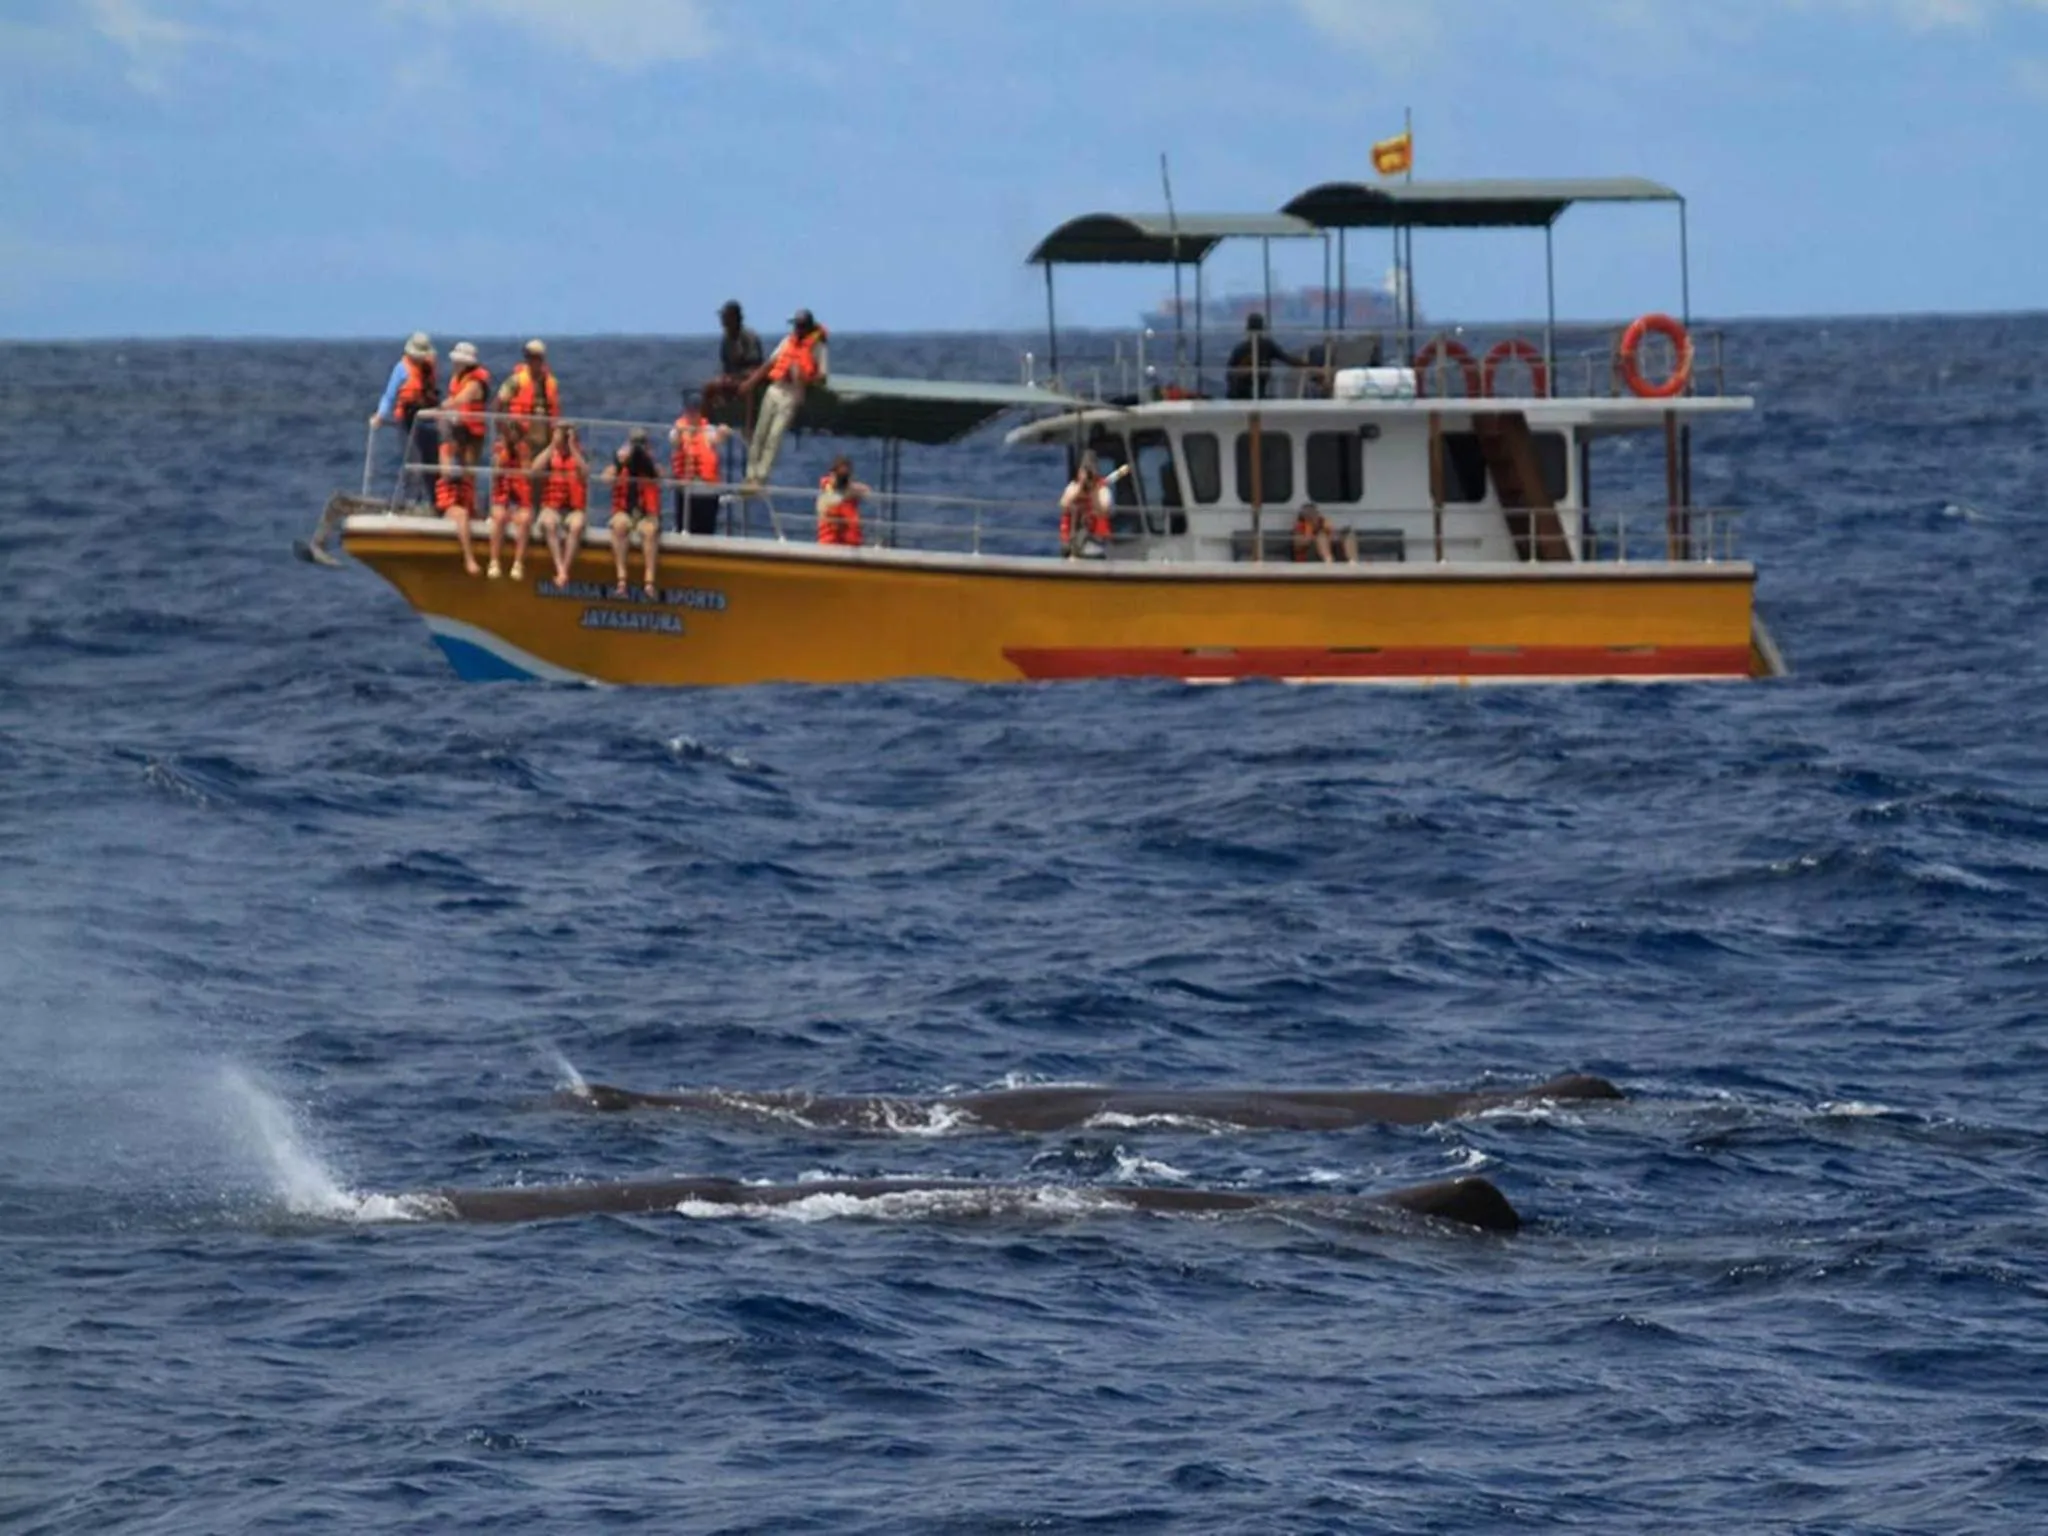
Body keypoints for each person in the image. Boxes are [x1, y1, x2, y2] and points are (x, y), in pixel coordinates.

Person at [741, 308, 829, 489]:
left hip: (792, 393)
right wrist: (751, 382)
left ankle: (761, 477)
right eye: (795, 325)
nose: (796, 329)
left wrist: (802, 377)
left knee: (774, 436)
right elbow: (770, 364)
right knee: (760, 433)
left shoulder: (818, 347)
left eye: (800, 326)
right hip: (774, 389)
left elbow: (822, 376)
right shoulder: (787, 341)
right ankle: (750, 476)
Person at [435, 341, 492, 574]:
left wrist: (444, 407)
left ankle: (474, 507)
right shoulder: (446, 448)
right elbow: (446, 470)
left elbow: (463, 399)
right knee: (459, 507)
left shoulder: (475, 382)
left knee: (469, 475)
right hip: (449, 500)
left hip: (473, 432)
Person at [370, 332, 439, 503]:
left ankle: (434, 501)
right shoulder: (401, 368)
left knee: (432, 461)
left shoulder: (428, 368)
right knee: (413, 461)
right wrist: (380, 415)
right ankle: (411, 500)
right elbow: (389, 395)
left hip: (428, 419)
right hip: (408, 421)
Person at [603, 427, 663, 598]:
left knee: (650, 531)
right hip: (624, 511)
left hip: (646, 514)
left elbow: (661, 477)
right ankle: (622, 580)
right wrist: (619, 463)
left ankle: (649, 582)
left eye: (641, 444)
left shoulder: (652, 466)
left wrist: (647, 461)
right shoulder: (621, 464)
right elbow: (606, 478)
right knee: (619, 526)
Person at [533, 423, 589, 586]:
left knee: (577, 526)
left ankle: (565, 568)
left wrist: (572, 447)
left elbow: (585, 473)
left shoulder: (579, 455)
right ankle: (560, 568)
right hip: (552, 507)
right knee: (549, 524)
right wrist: (552, 445)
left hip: (573, 508)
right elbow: (534, 470)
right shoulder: (550, 454)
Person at [669, 394, 731, 535]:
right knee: (684, 526)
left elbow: (717, 439)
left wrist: (723, 432)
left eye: (696, 411)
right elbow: (675, 441)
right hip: (686, 489)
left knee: (706, 528)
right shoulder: (678, 429)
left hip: (707, 490)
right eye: (690, 410)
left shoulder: (708, 430)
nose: (692, 414)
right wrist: (682, 433)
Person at [485, 421, 535, 580]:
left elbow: (527, 473)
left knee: (525, 519)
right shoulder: (500, 450)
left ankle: (518, 563)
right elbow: (496, 469)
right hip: (502, 498)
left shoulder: (524, 450)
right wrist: (505, 452)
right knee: (499, 517)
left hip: (520, 500)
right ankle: (494, 561)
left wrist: (521, 454)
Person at [1225, 313, 1311, 401]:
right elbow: (1287, 359)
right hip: (1242, 394)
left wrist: (1310, 367)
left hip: (1249, 394)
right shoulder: (1264, 346)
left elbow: (1229, 373)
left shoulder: (1242, 349)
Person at [1058, 454, 1125, 558]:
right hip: (1073, 541)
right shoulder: (1073, 487)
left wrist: (1094, 492)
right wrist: (1081, 488)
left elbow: (1104, 509)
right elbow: (1063, 505)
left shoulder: (1102, 490)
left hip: (1095, 544)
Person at [815, 456, 871, 547]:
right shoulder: (827, 493)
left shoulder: (852, 491)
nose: (843, 479)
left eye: (845, 475)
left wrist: (849, 489)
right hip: (830, 544)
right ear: (832, 474)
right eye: (840, 475)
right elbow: (826, 512)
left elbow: (867, 492)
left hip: (852, 544)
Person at [1292, 503, 1359, 564]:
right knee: (1321, 536)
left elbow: (1332, 536)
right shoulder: (1300, 525)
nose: (1312, 515)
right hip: (1309, 555)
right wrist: (1312, 538)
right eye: (1309, 513)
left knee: (1347, 532)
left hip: (1331, 550)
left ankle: (1353, 561)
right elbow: (1297, 545)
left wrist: (1332, 535)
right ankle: (1328, 561)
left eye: (1314, 512)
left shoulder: (1323, 522)